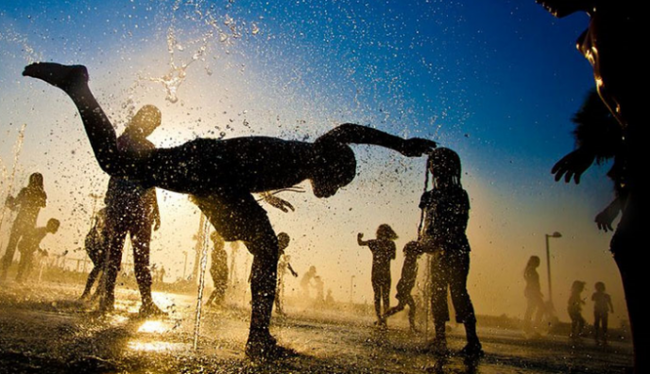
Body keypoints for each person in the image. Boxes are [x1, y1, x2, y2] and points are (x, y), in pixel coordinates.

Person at [22, 61, 435, 360]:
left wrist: (262, 198)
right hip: (209, 169)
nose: (332, 191)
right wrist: (400, 145)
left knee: (120, 163)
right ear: (334, 167)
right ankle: (258, 339)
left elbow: (255, 163)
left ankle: (258, 337)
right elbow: (349, 131)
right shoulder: (317, 152)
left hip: (215, 174)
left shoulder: (301, 159)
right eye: (339, 182)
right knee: (264, 246)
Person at [530, 0, 649, 372]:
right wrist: (592, 150)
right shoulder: (590, 39)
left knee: (633, 246)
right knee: (632, 246)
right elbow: (621, 110)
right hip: (638, 152)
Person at [100, 105, 164, 317]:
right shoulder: (125, 142)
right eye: (152, 124)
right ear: (143, 120)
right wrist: (109, 205)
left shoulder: (139, 144)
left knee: (127, 257)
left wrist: (155, 209)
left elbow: (150, 181)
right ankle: (114, 298)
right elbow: (114, 173)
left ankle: (117, 300)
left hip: (134, 208)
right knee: (123, 256)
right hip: (127, 207)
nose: (152, 128)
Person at [420, 147, 482, 357]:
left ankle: (473, 341)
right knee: (436, 291)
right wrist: (421, 244)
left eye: (441, 164)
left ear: (452, 168)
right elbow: (426, 228)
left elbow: (459, 226)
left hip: (456, 250)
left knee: (458, 291)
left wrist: (436, 242)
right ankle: (440, 337)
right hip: (437, 252)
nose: (436, 168)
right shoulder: (430, 196)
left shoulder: (459, 194)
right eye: (434, 164)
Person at [1, 173, 47, 280]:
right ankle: (18, 276)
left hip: (21, 223)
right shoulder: (41, 193)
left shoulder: (26, 191)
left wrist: (10, 201)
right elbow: (43, 204)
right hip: (29, 225)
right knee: (25, 250)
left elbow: (14, 205)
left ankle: (5, 272)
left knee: (12, 247)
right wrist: (10, 202)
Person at [358, 224, 398, 327]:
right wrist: (359, 238)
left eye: (382, 232)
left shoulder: (387, 244)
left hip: (382, 273)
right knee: (379, 296)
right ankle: (380, 318)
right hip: (379, 273)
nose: (380, 234)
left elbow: (393, 257)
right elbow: (361, 243)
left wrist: (384, 249)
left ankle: (383, 319)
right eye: (380, 232)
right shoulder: (376, 243)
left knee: (383, 297)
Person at [382, 240, 424, 332]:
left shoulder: (412, 259)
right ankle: (412, 327)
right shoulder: (410, 260)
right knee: (412, 306)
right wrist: (408, 284)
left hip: (405, 287)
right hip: (404, 287)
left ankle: (382, 318)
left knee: (400, 307)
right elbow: (406, 274)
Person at [80, 207, 109, 300]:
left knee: (103, 267)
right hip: (94, 240)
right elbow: (98, 228)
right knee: (101, 266)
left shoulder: (107, 211)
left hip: (95, 240)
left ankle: (94, 292)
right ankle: (90, 292)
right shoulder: (105, 212)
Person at [274, 232, 298, 316]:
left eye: (287, 243)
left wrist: (292, 271)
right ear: (280, 241)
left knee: (276, 290)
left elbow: (286, 262)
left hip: (273, 272)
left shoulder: (281, 251)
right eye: (286, 243)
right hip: (265, 270)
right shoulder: (271, 247)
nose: (287, 245)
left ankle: (278, 309)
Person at [523, 255, 545, 335]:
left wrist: (538, 292)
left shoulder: (531, 270)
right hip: (532, 292)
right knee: (538, 308)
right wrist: (536, 292)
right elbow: (532, 283)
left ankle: (529, 327)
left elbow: (534, 283)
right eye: (537, 261)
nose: (538, 263)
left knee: (532, 308)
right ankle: (533, 327)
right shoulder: (531, 270)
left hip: (532, 292)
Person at [206, 231, 228, 307]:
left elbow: (225, 264)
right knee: (219, 287)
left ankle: (218, 301)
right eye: (218, 244)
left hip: (222, 271)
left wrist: (225, 273)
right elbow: (217, 263)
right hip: (216, 271)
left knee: (222, 287)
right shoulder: (215, 252)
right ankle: (209, 302)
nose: (221, 245)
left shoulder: (223, 252)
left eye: (221, 244)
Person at [592, 281, 614, 346]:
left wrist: (612, 309)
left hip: (603, 311)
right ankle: (597, 337)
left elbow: (610, 303)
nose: (599, 288)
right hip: (598, 310)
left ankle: (603, 338)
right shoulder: (597, 294)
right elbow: (593, 299)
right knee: (597, 324)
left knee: (604, 325)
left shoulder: (606, 295)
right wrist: (612, 309)